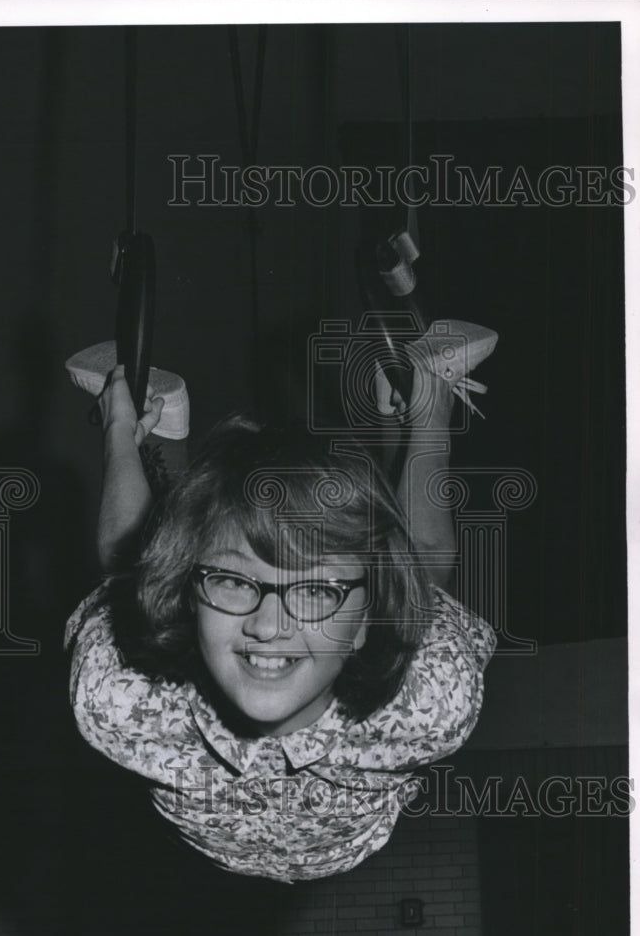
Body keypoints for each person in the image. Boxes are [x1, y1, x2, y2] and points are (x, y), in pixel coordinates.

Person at [65, 324, 497, 884]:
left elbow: (125, 567)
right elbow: (152, 574)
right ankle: (427, 398)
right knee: (423, 572)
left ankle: (147, 420)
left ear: (363, 624)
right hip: (238, 834)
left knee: (129, 571)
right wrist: (421, 409)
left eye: (317, 590)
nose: (269, 626)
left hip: (344, 837)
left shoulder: (115, 704)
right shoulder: (435, 707)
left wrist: (119, 429)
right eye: (232, 581)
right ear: (192, 597)